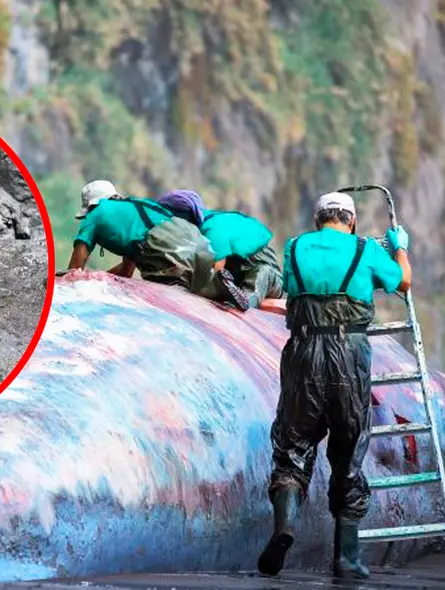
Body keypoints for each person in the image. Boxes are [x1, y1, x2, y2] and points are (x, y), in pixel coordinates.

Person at [257, 191, 412, 579]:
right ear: (352, 221)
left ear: (317, 220)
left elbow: (292, 290)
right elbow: (404, 282)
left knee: (292, 446)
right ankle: (346, 558)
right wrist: (399, 249)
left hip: (303, 353)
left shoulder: (294, 248)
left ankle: (284, 528)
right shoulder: (364, 249)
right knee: (348, 450)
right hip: (349, 354)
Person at [66, 180, 219, 298]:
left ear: (91, 205)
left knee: (172, 283)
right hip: (194, 238)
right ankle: (217, 282)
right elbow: (126, 272)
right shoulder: (134, 211)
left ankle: (197, 283)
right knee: (199, 281)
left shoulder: (95, 214)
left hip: (163, 242)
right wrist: (98, 278)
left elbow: (74, 270)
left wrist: (68, 283)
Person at [157, 190, 284, 309]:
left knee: (260, 275)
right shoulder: (197, 231)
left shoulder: (213, 228)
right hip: (234, 278)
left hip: (267, 277)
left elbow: (218, 268)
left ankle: (245, 301)